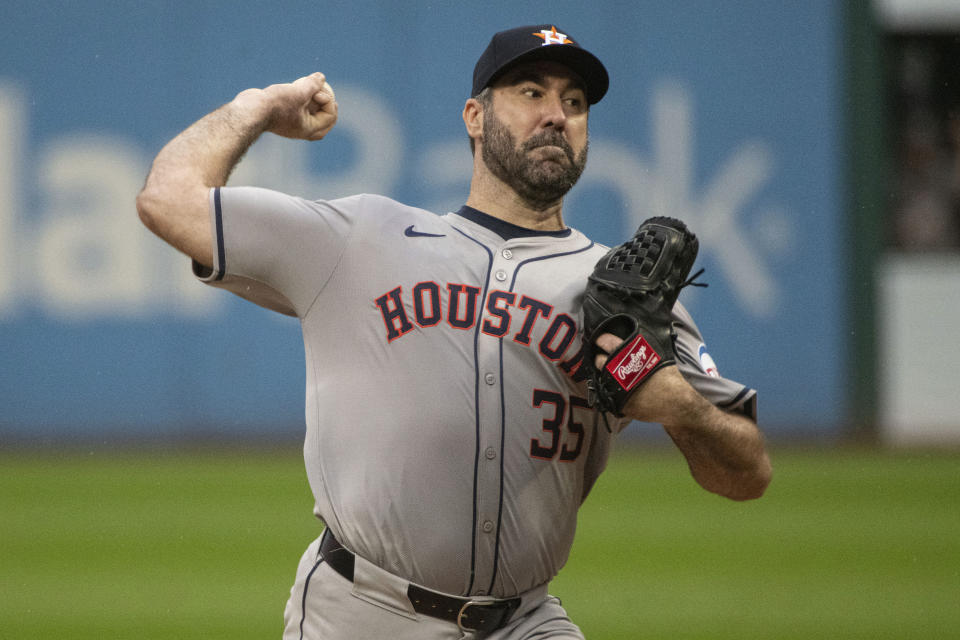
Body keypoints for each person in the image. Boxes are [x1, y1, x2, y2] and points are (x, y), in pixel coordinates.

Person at [137, 23, 771, 640]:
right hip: (362, 613)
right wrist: (258, 107)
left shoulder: (622, 294)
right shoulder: (359, 239)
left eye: (573, 102)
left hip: (525, 621)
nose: (556, 114)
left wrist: (681, 408)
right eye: (531, 92)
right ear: (475, 116)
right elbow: (167, 200)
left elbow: (748, 474)